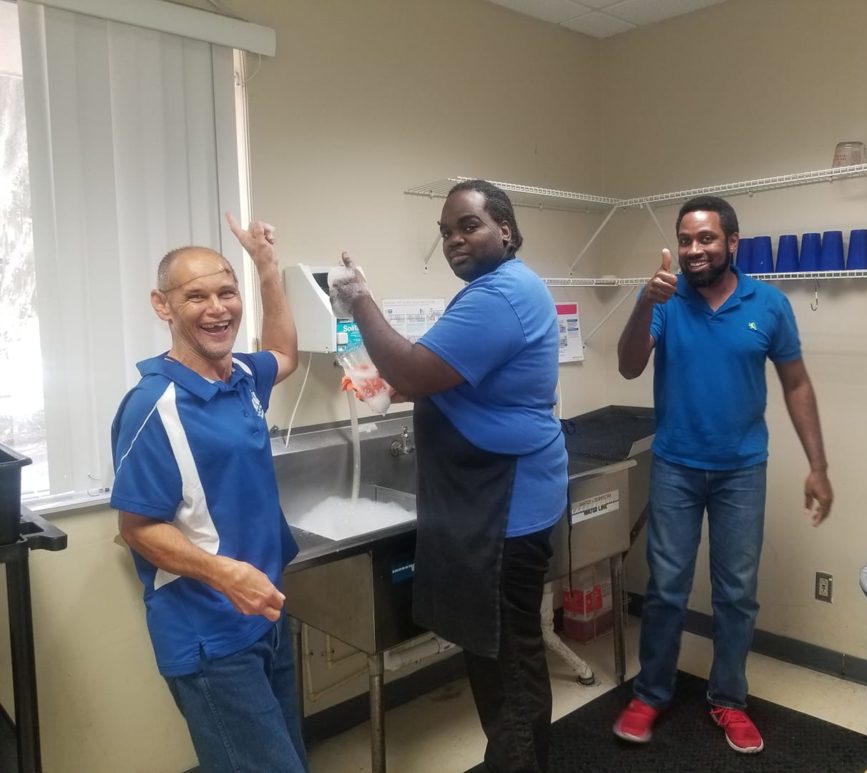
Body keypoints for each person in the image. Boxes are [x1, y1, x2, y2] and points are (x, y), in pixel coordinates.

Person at [327, 180, 567, 773]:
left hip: (503, 504)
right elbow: (426, 376)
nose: (454, 239)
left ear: (505, 230)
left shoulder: (500, 295)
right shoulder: (499, 290)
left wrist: (360, 301)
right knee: (504, 657)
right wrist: (390, 378)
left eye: (469, 225)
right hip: (497, 498)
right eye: (445, 232)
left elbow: (411, 369)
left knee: (506, 662)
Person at [613, 195, 833, 754]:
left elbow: (796, 384)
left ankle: (729, 700)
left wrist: (818, 465)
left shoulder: (769, 304)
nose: (694, 250)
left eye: (706, 239)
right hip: (676, 468)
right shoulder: (665, 299)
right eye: (685, 239)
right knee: (665, 589)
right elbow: (629, 364)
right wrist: (643, 302)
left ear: (732, 243)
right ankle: (651, 693)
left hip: (741, 472)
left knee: (736, 594)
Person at [110, 214, 306, 772]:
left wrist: (267, 267)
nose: (217, 308)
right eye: (196, 296)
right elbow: (137, 529)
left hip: (264, 613)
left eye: (227, 292)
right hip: (210, 634)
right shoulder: (154, 406)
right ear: (162, 305)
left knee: (290, 758)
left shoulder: (241, 375)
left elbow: (284, 353)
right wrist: (226, 575)